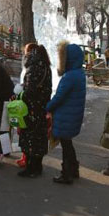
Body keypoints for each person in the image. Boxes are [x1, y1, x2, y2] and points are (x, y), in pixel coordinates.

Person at [46, 42, 86, 184]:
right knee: (68, 143)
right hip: (72, 115)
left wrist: (47, 107)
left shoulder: (70, 76)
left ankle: (66, 174)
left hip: (66, 116)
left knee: (66, 146)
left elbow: (59, 97)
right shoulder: (79, 73)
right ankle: (73, 170)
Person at [17, 43, 53, 178]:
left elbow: (30, 91)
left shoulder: (33, 67)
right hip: (42, 107)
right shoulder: (45, 66)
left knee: (31, 138)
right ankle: (38, 166)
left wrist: (20, 92)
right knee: (40, 137)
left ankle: (31, 168)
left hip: (32, 109)